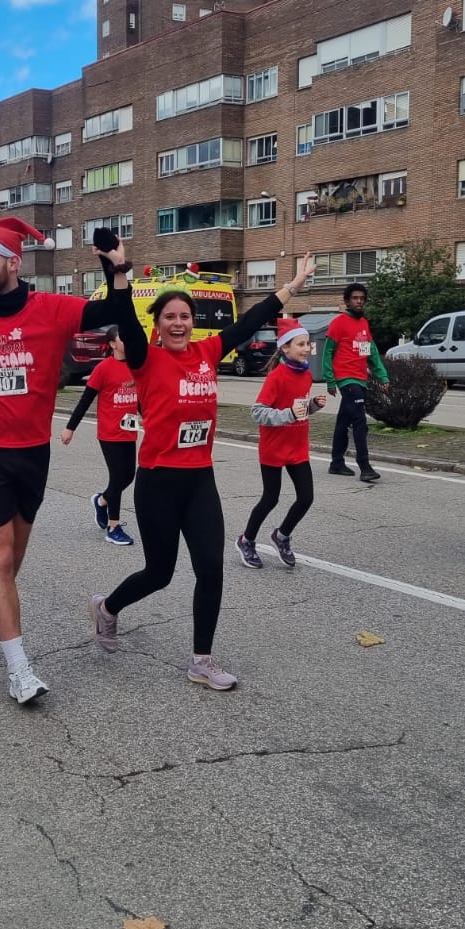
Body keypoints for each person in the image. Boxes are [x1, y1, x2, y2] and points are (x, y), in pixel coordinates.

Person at [91, 254, 315, 690]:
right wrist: (118, 274)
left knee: (211, 568)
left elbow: (250, 321)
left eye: (185, 316)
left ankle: (202, 660)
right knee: (160, 573)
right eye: (170, 317)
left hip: (199, 480)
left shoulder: (207, 352)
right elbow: (122, 315)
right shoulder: (144, 358)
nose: (178, 323)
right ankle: (108, 608)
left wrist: (293, 285)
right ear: (157, 325)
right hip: (157, 481)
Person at [0, 216, 134, 705]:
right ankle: (20, 669)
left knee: (14, 560)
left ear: (12, 261)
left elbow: (113, 310)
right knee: (0, 557)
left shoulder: (52, 309)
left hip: (31, 451)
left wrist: (119, 268)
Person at [237, 318, 326, 569]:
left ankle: (282, 535)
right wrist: (288, 414)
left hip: (298, 446)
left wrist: (313, 406)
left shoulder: (306, 375)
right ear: (285, 348)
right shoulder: (277, 377)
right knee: (270, 498)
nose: (306, 348)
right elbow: (258, 412)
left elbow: (299, 409)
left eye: (308, 343)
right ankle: (247, 540)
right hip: (274, 447)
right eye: (300, 344)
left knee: (306, 498)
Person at [61, 325, 137, 546]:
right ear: (113, 344)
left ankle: (102, 500)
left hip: (129, 431)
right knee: (117, 477)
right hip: (109, 433)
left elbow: (140, 400)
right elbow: (85, 400)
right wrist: (70, 427)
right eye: (123, 338)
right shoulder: (103, 369)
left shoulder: (135, 367)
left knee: (128, 476)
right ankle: (114, 527)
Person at [323, 282, 388, 482]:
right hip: (346, 378)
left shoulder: (364, 324)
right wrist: (330, 380)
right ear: (347, 301)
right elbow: (328, 352)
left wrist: (382, 375)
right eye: (355, 298)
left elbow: (372, 352)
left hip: (361, 378)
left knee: (344, 421)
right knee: (360, 421)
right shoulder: (338, 322)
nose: (359, 301)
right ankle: (365, 466)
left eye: (362, 298)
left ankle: (336, 463)